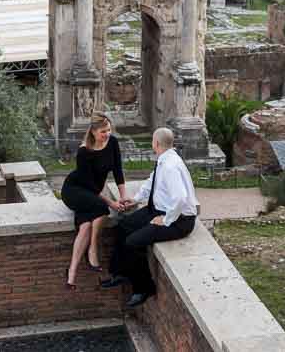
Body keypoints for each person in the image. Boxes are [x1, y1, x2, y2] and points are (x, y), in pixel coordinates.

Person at [102, 127, 199, 308]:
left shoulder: (170, 166)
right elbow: (152, 181)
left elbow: (180, 198)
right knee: (123, 225)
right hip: (157, 210)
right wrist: (136, 199)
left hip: (179, 221)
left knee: (133, 242)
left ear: (155, 143)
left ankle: (144, 289)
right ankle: (120, 272)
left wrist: (166, 219)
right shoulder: (165, 159)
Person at [61, 114, 127, 290]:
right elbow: (90, 185)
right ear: (93, 131)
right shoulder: (84, 152)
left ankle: (71, 273)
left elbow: (118, 170)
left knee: (85, 226)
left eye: (109, 130)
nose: (107, 134)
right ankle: (92, 249)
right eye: (103, 131)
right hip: (75, 190)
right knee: (101, 208)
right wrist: (111, 203)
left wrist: (123, 196)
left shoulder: (112, 143)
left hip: (91, 194)